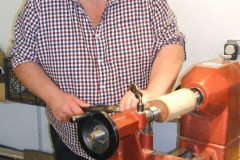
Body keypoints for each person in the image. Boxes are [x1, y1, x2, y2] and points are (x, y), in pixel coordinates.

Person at [10, 0, 185, 159]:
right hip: (73, 142)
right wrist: (53, 97)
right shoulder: (39, 5)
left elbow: (171, 43)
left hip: (132, 140)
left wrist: (153, 92)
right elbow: (22, 57)